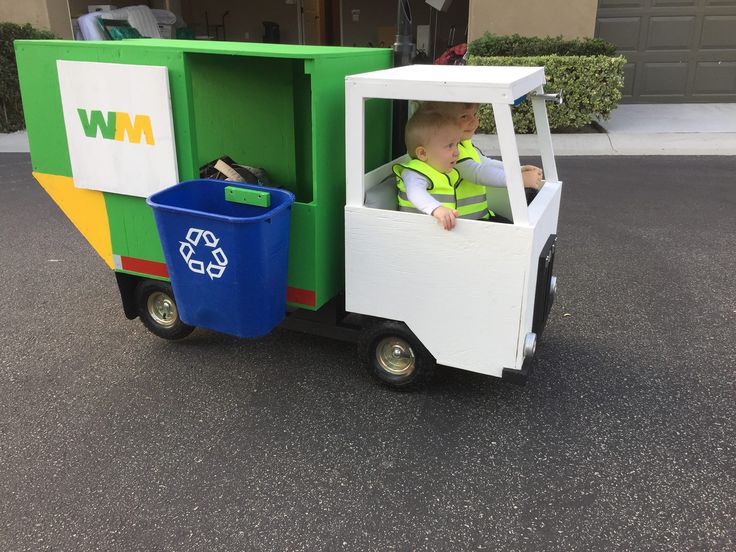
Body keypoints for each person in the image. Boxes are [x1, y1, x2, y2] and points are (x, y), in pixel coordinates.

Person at [423, 101, 544, 206]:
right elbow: (477, 172)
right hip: (461, 221)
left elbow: (485, 163)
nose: (474, 121)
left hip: (478, 216)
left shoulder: (464, 144)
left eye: (475, 114)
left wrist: (518, 170)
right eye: (464, 116)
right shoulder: (447, 153)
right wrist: (517, 179)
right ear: (440, 122)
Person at [394, 109, 491, 230]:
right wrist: (436, 209)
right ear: (423, 153)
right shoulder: (413, 172)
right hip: (420, 233)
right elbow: (415, 192)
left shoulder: (442, 168)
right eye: (450, 146)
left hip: (446, 230)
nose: (457, 152)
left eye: (456, 144)